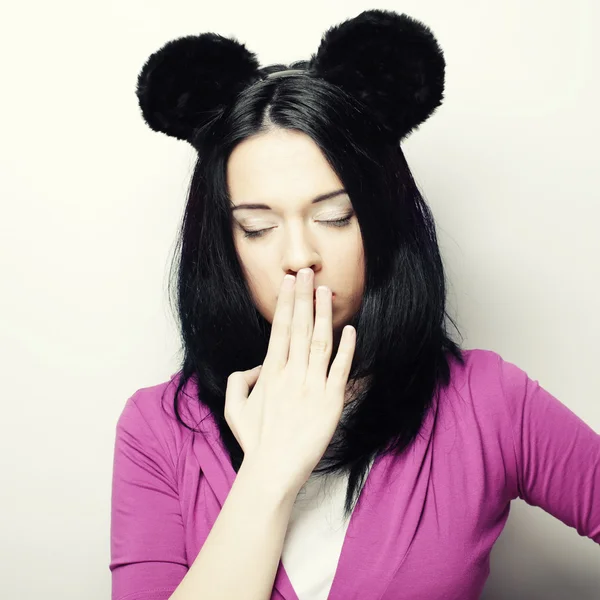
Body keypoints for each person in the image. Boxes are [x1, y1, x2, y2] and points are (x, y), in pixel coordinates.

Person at [109, 9, 600, 600]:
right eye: (258, 227)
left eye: (334, 217)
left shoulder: (487, 401)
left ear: (381, 220)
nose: (299, 255)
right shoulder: (159, 428)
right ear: (224, 244)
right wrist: (268, 473)